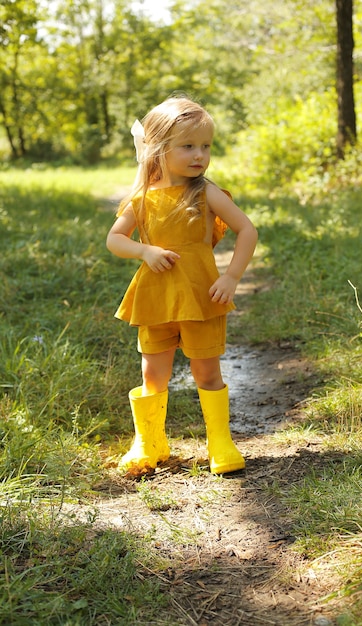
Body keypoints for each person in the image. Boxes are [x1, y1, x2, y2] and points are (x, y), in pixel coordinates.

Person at [106, 95, 258, 476]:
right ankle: (149, 442)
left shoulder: (205, 193)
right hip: (155, 296)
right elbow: (115, 240)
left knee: (206, 371)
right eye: (188, 146)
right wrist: (145, 251)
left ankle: (219, 441)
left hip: (200, 295)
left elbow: (247, 230)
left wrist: (231, 276)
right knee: (152, 373)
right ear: (159, 149)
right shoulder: (142, 198)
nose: (199, 155)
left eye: (205, 146)